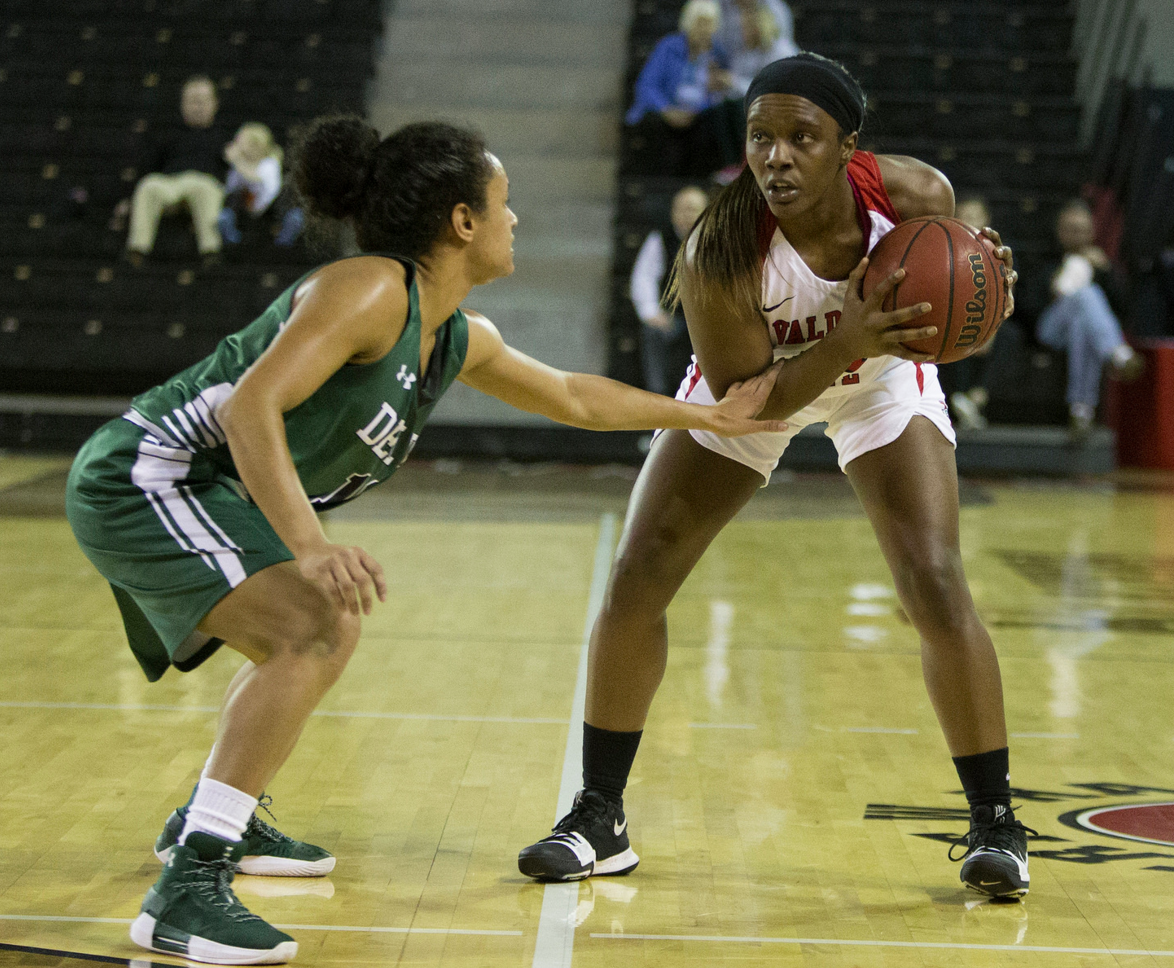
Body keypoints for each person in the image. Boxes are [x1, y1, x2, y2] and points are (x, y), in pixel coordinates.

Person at [65, 116, 788, 965]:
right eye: (505, 203)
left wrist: (707, 414)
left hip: (204, 486)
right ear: (462, 222)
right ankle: (186, 887)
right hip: (148, 475)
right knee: (314, 626)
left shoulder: (450, 333)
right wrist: (308, 543)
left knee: (306, 633)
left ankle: (215, 815)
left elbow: (575, 398)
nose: (516, 220)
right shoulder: (369, 288)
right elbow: (247, 407)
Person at [519, 53, 1035, 901]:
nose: (778, 157)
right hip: (755, 392)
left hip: (875, 385)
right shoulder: (717, 251)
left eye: (803, 137)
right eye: (762, 138)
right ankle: (598, 815)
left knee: (935, 583)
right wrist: (845, 340)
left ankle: (996, 825)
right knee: (638, 576)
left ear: (847, 147)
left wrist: (983, 297)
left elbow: (956, 312)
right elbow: (747, 408)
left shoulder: (914, 199)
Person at [1028, 199, 1144, 436]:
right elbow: (1026, 307)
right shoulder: (1044, 258)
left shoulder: (1101, 264)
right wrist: (1052, 285)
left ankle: (1081, 410)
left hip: (1081, 330)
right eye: (1070, 229)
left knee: (1081, 325)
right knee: (1085, 296)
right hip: (1050, 328)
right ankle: (1117, 354)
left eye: (1081, 230)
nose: (1076, 235)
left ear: (1091, 232)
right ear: (1059, 230)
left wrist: (1105, 272)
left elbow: (1123, 307)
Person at [123, 76, 227, 267]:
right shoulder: (166, 133)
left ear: (215, 104)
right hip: (172, 187)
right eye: (192, 101)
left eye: (203, 101)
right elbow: (148, 167)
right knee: (149, 185)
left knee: (204, 188)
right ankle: (137, 250)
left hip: (205, 185)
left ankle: (211, 251)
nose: (198, 107)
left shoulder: (226, 135)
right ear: (182, 104)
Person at [625, 0, 737, 177]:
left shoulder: (717, 54)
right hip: (665, 112)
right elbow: (646, 85)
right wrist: (666, 110)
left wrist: (703, 104)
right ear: (689, 22)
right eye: (701, 23)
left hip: (697, 115)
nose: (704, 30)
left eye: (709, 24)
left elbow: (721, 94)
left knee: (712, 127)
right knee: (655, 129)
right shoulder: (668, 47)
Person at [630, 184, 710, 394]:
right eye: (681, 209)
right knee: (653, 332)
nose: (686, 215)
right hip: (673, 318)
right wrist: (652, 313)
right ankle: (657, 396)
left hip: (707, 322)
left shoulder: (716, 242)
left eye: (693, 209)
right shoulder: (661, 239)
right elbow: (643, 277)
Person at [940, 195, 997, 430]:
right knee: (954, 328)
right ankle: (960, 399)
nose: (970, 222)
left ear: (987, 220)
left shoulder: (1000, 251)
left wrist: (992, 325)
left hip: (995, 317)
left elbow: (1013, 296)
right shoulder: (942, 250)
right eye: (964, 216)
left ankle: (975, 397)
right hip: (957, 315)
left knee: (1007, 335)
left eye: (975, 216)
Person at [216, 123, 298, 247]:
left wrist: (237, 161)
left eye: (240, 142)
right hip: (244, 212)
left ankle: (282, 245)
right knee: (224, 216)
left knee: (295, 217)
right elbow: (230, 189)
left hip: (270, 212)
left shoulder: (270, 163)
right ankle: (233, 243)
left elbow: (262, 185)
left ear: (255, 145)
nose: (236, 145)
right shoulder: (238, 165)